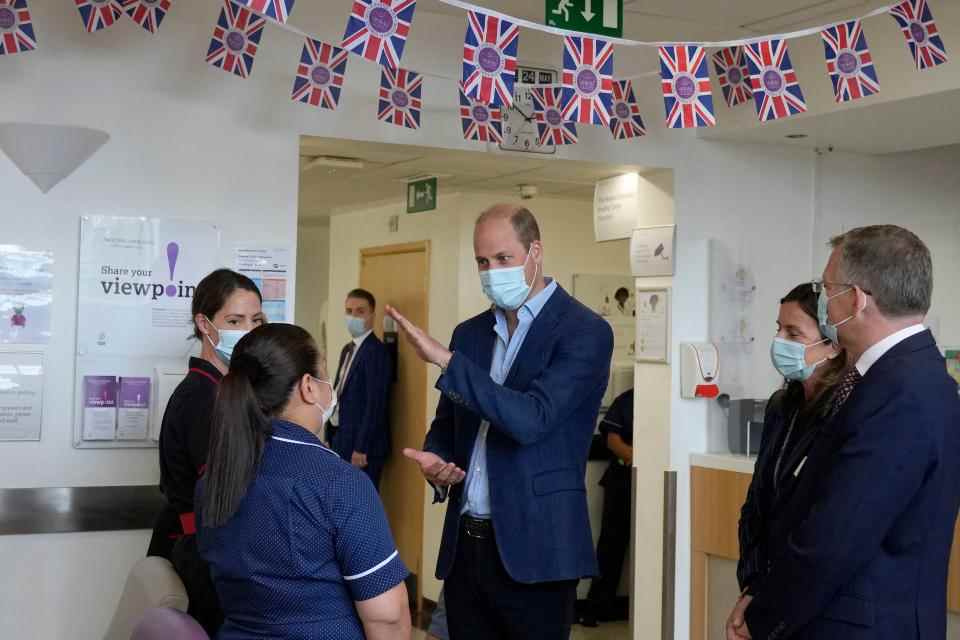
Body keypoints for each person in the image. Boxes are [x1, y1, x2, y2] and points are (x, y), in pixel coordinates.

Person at [386, 204, 614, 640]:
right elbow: (449, 423)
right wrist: (438, 461)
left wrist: (446, 361)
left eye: (503, 259)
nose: (492, 272)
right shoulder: (470, 334)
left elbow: (531, 419)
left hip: (538, 549)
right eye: (482, 262)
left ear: (536, 253)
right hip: (466, 547)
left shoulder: (584, 331)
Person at [731, 225, 960, 640]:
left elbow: (835, 537)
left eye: (827, 290)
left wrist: (764, 617)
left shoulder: (903, 391)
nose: (824, 304)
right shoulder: (892, 379)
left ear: (854, 299)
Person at [196, 323, 411, 640]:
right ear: (309, 386)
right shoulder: (341, 484)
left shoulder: (213, 479)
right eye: (324, 374)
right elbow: (388, 620)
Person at [147, 268, 265, 635]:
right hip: (204, 553)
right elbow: (226, 492)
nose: (248, 330)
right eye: (235, 320)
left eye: (256, 320)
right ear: (204, 323)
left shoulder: (226, 391)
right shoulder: (202, 397)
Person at [728, 283, 846, 636]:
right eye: (778, 329)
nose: (780, 341)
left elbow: (821, 527)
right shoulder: (783, 406)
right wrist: (752, 586)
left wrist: (773, 599)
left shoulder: (846, 412)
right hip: (764, 586)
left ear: (832, 344)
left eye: (793, 332)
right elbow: (757, 505)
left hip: (811, 599)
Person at [580, 387, 635, 627]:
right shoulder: (627, 401)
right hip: (623, 481)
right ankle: (594, 607)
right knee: (611, 546)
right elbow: (612, 440)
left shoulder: (668, 400)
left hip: (659, 483)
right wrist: (639, 458)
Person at [327, 288, 393, 489]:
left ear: (372, 315)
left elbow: (375, 404)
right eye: (349, 311)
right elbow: (339, 394)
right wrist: (328, 436)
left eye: (360, 311)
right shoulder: (348, 349)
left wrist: (361, 448)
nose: (353, 317)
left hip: (362, 448)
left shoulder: (376, 352)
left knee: (359, 503)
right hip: (341, 438)